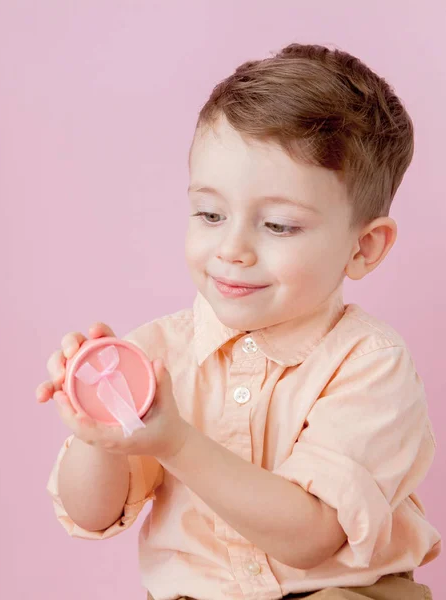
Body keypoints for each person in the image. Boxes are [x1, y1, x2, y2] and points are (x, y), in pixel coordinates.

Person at [36, 43, 441, 600]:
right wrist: (101, 433)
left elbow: (311, 537)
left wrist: (176, 442)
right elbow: (94, 515)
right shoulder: (157, 354)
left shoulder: (369, 365)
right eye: (209, 214)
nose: (232, 249)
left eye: (277, 226)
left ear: (364, 247)